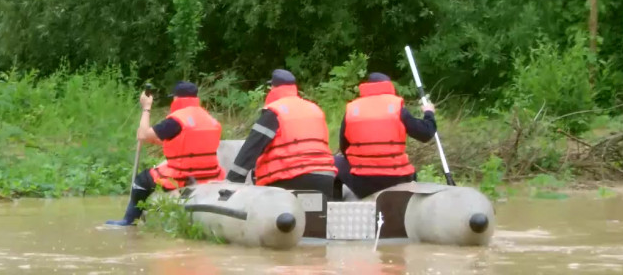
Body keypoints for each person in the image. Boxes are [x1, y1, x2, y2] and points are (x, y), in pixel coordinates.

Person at [106, 81, 225, 226]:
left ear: (176, 99)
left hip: (183, 174)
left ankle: (129, 221)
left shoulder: (176, 121)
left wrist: (146, 108)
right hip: (211, 174)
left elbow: (143, 134)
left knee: (142, 180)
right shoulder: (210, 119)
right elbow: (189, 143)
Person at [225, 69, 337, 199]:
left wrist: (232, 183)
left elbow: (251, 149)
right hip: (325, 179)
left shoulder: (274, 112)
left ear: (273, 88)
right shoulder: (315, 109)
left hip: (290, 179)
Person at [334, 72, 437, 199]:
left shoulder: (353, 109)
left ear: (367, 86)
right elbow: (425, 134)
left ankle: (334, 204)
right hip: (397, 180)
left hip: (363, 183)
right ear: (389, 86)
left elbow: (344, 147)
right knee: (409, 168)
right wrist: (429, 113)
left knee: (334, 162)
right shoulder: (396, 108)